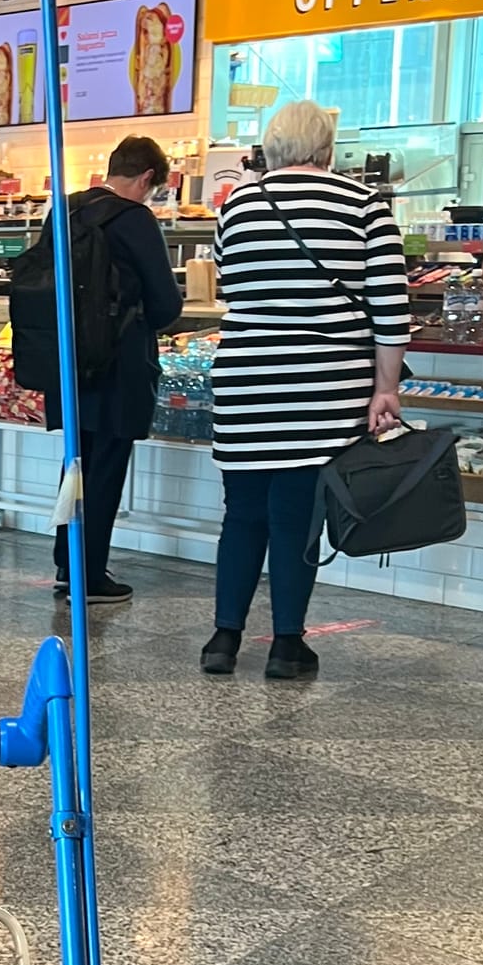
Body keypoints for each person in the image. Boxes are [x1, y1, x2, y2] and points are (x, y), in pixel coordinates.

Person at [203, 99, 407, 680]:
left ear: (271, 148)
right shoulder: (364, 204)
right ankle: (287, 646)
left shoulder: (237, 204)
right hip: (323, 386)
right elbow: (391, 310)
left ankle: (223, 639)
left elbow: (230, 284)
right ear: (327, 148)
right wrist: (386, 388)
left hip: (245, 380)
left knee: (242, 513)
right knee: (297, 518)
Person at [42, 133, 186, 603]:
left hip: (68, 362)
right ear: (147, 178)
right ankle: (89, 575)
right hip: (119, 367)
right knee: (105, 470)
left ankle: (67, 562)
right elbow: (166, 304)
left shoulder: (65, 210)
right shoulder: (135, 219)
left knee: (74, 464)